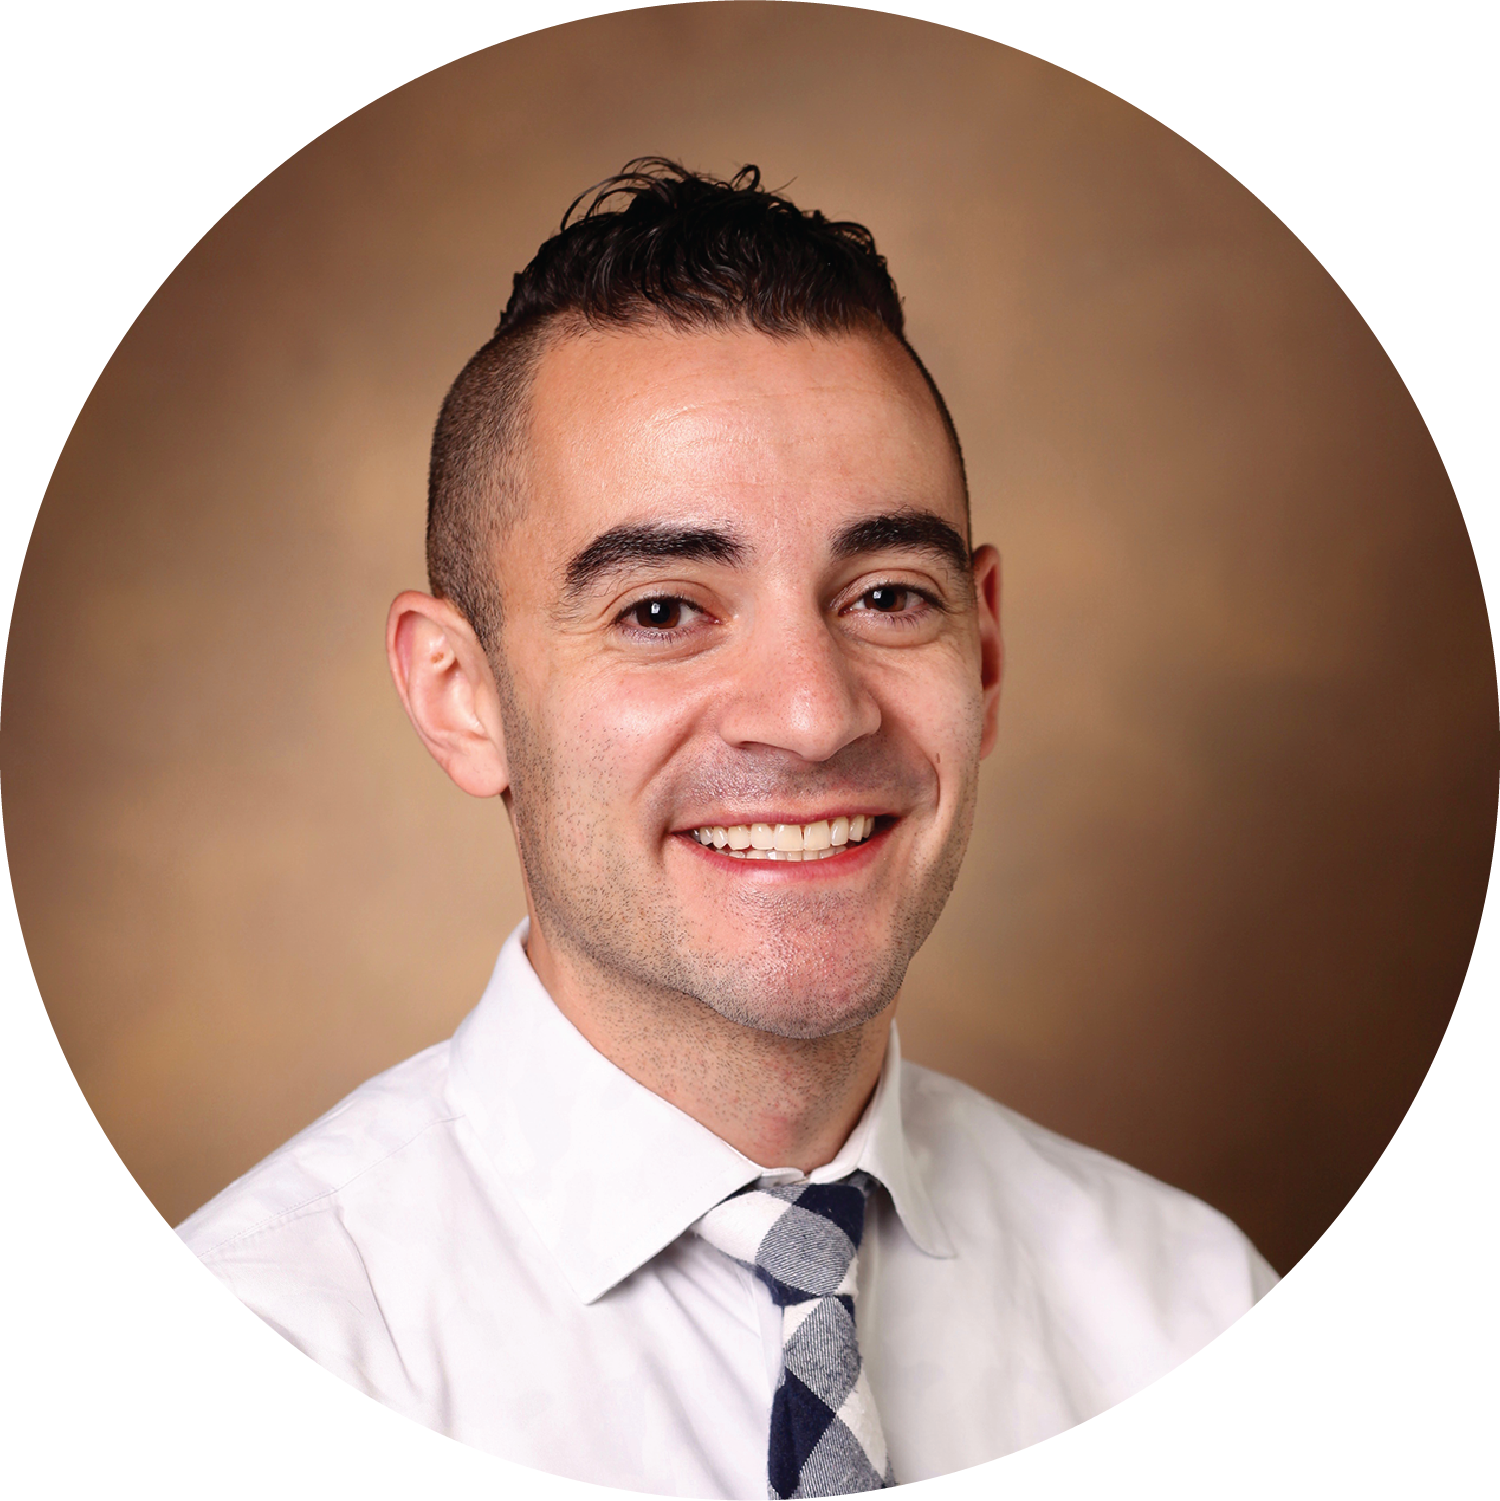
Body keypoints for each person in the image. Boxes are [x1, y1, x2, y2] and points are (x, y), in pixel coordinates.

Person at [179, 160, 1276, 1498]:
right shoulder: (244, 1372)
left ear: (984, 656)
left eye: (887, 596)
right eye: (661, 610)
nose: (813, 717)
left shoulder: (1198, 1320)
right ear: (462, 698)